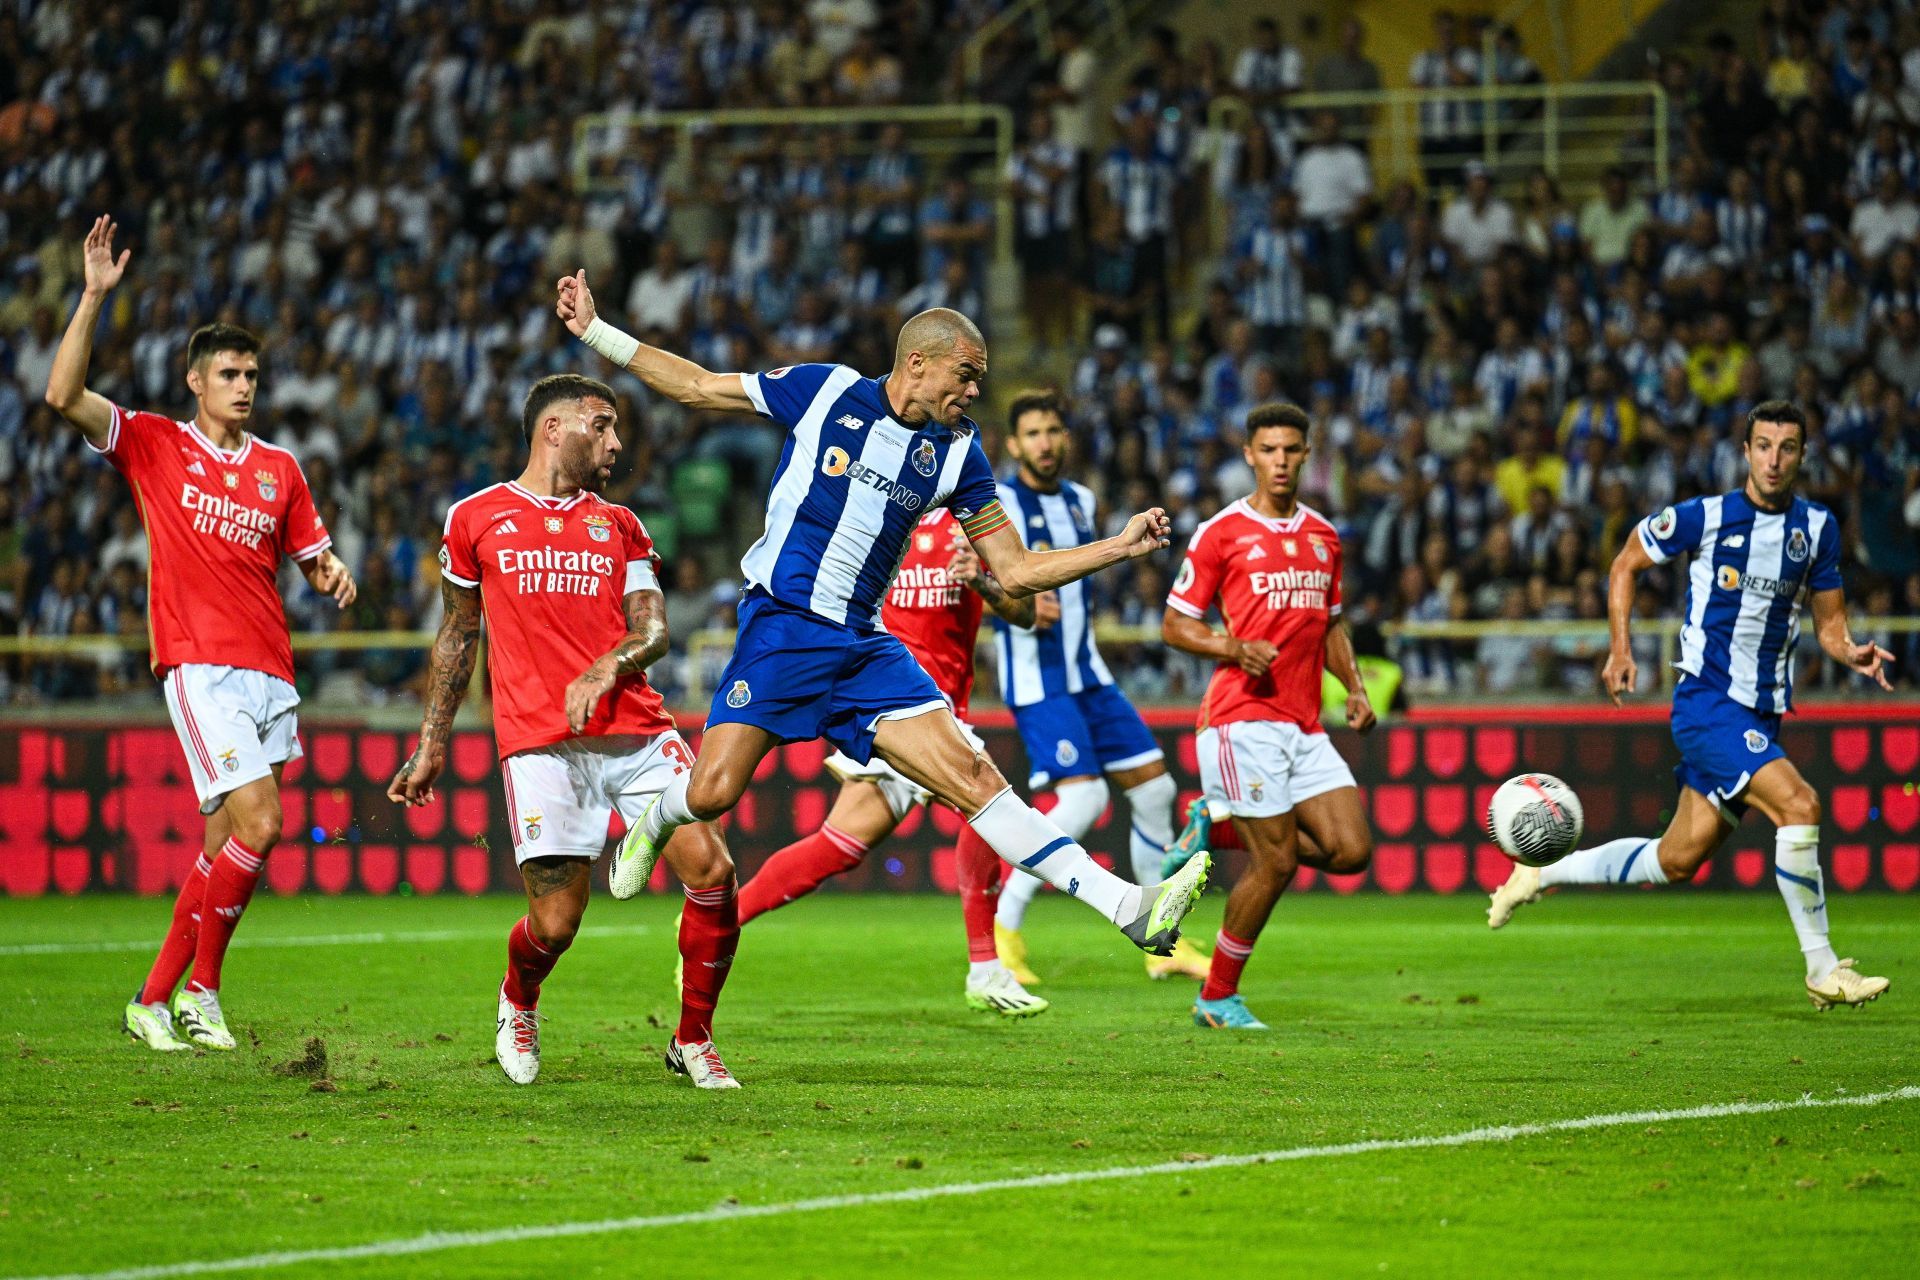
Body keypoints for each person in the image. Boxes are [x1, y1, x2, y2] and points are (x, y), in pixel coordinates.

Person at [553, 272, 1212, 960]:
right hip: (783, 626)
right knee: (712, 793)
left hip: (867, 648)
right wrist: (597, 331)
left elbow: (1013, 570)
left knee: (976, 780)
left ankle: (1129, 907)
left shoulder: (958, 451)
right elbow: (697, 386)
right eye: (967, 374)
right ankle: (654, 821)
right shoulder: (827, 391)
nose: (976, 391)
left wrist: (1119, 545)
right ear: (918, 363)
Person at [44, 217, 357, 1053]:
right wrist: (92, 297)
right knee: (263, 824)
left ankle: (153, 1000)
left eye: (252, 373)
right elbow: (63, 398)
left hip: (271, 672)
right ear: (196, 381)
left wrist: (332, 575)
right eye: (229, 373)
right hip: (200, 667)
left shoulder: (280, 469)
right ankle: (204, 992)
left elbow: (312, 558)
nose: (245, 385)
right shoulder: (153, 444)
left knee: (225, 844)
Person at [387, 375, 739, 1088]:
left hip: (635, 731)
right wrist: (431, 744)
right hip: (541, 745)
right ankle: (519, 999)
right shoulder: (475, 518)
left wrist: (608, 666)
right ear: (554, 428)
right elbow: (457, 637)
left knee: (715, 872)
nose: (615, 443)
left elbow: (655, 630)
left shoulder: (622, 526)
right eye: (601, 426)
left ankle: (693, 1039)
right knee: (554, 925)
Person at [1487, 401, 1894, 1012]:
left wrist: (1850, 653)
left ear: (1802, 455)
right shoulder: (1706, 517)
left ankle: (1541, 874)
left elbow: (1830, 625)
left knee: (1674, 859)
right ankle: (1822, 967)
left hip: (1761, 712)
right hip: (1708, 703)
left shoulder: (1818, 529)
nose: (1774, 459)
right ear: (1747, 451)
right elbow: (1625, 562)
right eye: (1763, 446)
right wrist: (1620, 649)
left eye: (1786, 448)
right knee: (1800, 803)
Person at [735, 507, 1047, 1017]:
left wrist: (983, 583)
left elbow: (1028, 613)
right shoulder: (873, 521)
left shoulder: (974, 527)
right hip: (887, 701)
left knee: (839, 847)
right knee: (987, 809)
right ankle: (986, 968)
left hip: (939, 707)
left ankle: (722, 917)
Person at [1162, 401, 1378, 1030]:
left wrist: (1356, 689)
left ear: (1307, 454)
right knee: (1278, 862)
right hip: (1239, 717)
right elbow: (1176, 624)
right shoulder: (1221, 533)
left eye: (1291, 450)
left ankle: (1216, 824)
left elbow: (1331, 622)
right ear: (1249, 455)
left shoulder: (1324, 537)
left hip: (1304, 721)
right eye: (1269, 450)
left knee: (1350, 850)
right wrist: (1232, 646)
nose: (1280, 461)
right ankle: (1216, 996)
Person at [987, 390, 1211, 985]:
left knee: (1158, 791)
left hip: (1090, 673)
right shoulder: (996, 501)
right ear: (1014, 445)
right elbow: (986, 582)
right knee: (1085, 799)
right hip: (1038, 679)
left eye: (1053, 430)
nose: (1044, 442)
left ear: (1065, 437)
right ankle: (1002, 929)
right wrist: (1012, 598)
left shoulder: (1083, 500)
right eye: (1032, 433)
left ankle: (1161, 934)